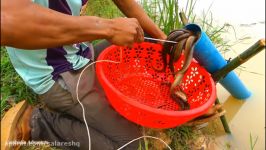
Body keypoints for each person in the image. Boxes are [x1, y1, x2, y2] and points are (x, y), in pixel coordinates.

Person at [1, 0, 167, 150]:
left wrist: (160, 37)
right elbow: (6, 20)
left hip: (80, 52)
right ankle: (37, 122)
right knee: (130, 145)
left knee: (146, 41)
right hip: (57, 73)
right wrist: (108, 28)